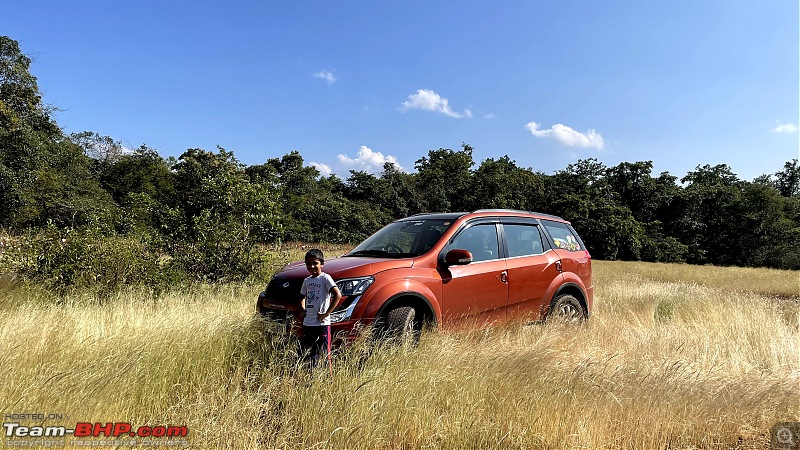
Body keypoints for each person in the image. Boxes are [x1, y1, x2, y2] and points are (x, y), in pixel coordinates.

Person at [299, 248, 342, 366]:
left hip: (322, 323)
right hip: (309, 322)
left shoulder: (325, 278)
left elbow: (337, 295)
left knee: (325, 352)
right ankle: (312, 377)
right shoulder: (307, 281)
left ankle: (328, 377)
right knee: (310, 352)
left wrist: (326, 314)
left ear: (321, 264)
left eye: (315, 263)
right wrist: (302, 309)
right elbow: (302, 297)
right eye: (308, 263)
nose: (311, 266)